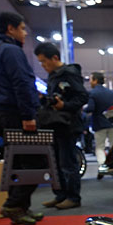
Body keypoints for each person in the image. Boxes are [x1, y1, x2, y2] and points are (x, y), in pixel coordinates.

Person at [0, 12, 43, 225]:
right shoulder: (11, 50)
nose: (25, 33)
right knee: (36, 161)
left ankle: (20, 208)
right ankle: (13, 204)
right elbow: (21, 83)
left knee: (17, 162)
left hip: (2, 114)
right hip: (16, 114)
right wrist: (28, 115)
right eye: (22, 28)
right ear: (11, 28)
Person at [33, 42, 88, 210]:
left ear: (55, 58)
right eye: (40, 62)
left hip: (67, 124)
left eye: (44, 61)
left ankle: (73, 197)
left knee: (67, 162)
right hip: (54, 124)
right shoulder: (53, 75)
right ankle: (61, 195)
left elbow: (82, 97)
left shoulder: (69, 73)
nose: (43, 65)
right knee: (56, 162)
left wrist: (64, 105)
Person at [86, 71, 113, 174]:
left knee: (100, 146)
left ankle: (103, 167)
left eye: (91, 79)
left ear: (95, 80)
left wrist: (83, 109)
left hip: (99, 124)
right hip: (112, 123)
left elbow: (90, 108)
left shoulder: (93, 93)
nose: (90, 82)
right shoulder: (111, 93)